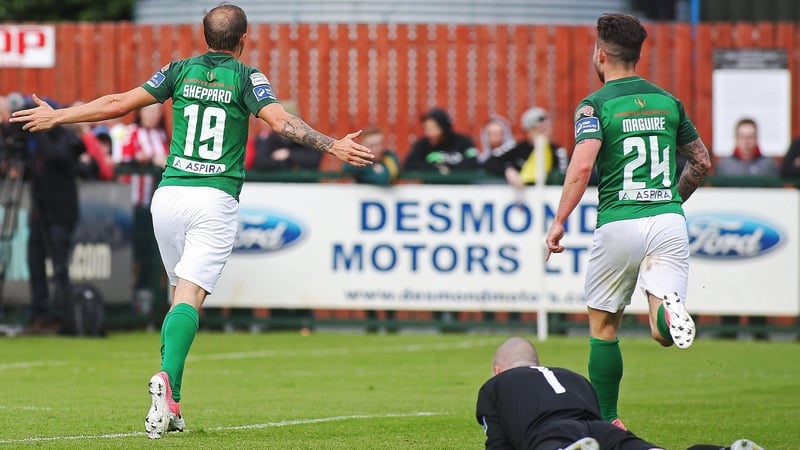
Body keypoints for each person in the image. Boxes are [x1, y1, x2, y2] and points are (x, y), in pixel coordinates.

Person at [11, 3, 373, 439]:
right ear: (244, 38)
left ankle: (173, 404)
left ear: (204, 36)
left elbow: (118, 103)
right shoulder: (247, 77)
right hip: (213, 198)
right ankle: (165, 380)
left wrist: (59, 115)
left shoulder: (178, 70)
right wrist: (332, 145)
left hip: (168, 196)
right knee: (189, 298)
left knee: (177, 297)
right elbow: (281, 123)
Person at [544, 13, 712, 428]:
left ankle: (608, 419)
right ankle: (667, 313)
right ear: (637, 55)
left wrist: (559, 222)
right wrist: (672, 197)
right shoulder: (668, 101)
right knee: (661, 331)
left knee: (604, 325)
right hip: (667, 218)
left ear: (601, 55)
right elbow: (702, 162)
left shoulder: (595, 105)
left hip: (619, 218)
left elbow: (582, 168)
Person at [476, 337, 765, 450]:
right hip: (599, 429)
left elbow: (499, 444)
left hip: (552, 431)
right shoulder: (572, 377)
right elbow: (593, 413)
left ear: (496, 368)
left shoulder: (495, 385)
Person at [21, 97, 86, 335]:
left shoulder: (66, 138)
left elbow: (55, 156)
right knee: (35, 264)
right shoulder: (34, 142)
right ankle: (40, 313)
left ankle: (63, 317)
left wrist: (39, 132)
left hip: (60, 213)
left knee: (60, 267)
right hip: (39, 212)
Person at [483, 106, 568, 187]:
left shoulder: (558, 151)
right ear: (528, 131)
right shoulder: (515, 147)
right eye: (537, 129)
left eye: (546, 129)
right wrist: (508, 170)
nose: (544, 133)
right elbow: (490, 160)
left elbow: (564, 175)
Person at [403, 107, 479, 175]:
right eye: (426, 128)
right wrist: (435, 168)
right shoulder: (423, 143)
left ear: (443, 127)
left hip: (461, 187)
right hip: (433, 188)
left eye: (433, 128)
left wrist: (450, 168)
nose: (428, 133)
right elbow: (409, 164)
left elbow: (474, 162)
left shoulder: (464, 141)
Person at [250, 99, 322, 171]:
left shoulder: (307, 138)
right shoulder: (270, 139)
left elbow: (314, 159)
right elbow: (260, 163)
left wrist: (289, 154)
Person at [714, 118, 778, 177]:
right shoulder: (725, 165)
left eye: (750, 137)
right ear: (736, 139)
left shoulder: (767, 165)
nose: (746, 142)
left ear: (756, 138)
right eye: (742, 137)